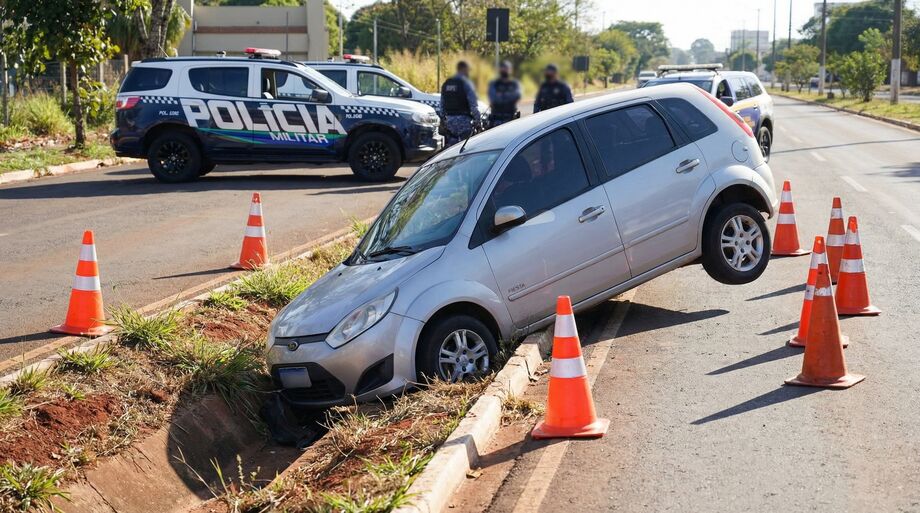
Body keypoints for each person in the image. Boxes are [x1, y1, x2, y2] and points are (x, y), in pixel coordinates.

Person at [439, 61, 481, 147]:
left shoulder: (447, 83)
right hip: (464, 122)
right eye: (467, 70)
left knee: (452, 148)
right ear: (463, 69)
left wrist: (443, 120)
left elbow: (442, 104)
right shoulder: (466, 83)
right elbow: (473, 106)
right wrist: (478, 120)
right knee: (465, 148)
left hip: (450, 121)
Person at [487, 60, 521, 128]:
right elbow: (494, 99)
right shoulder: (494, 84)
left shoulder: (514, 84)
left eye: (507, 68)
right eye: (503, 68)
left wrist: (501, 95)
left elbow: (517, 95)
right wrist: (508, 96)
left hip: (510, 120)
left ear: (510, 70)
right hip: (496, 120)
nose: (505, 70)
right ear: (500, 69)